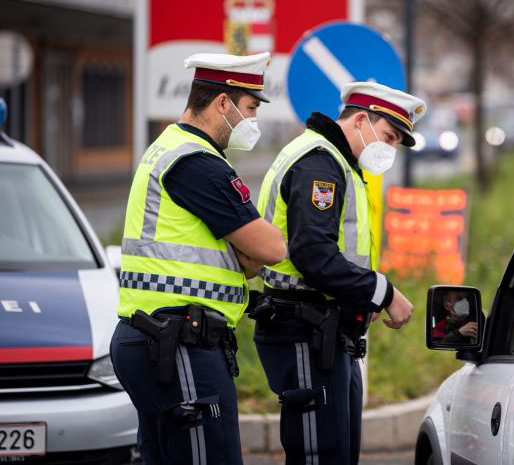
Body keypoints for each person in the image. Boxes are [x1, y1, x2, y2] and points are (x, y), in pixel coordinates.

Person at [110, 52, 287, 465]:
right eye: (249, 108)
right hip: (179, 343)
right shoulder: (197, 163)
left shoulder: (169, 149)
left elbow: (249, 259)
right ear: (222, 103)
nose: (252, 121)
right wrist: (252, 248)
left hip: (157, 339)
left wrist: (247, 252)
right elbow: (271, 250)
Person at [249, 82, 424, 464]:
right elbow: (313, 254)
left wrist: (360, 294)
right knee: (321, 456)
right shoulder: (319, 163)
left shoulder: (339, 163)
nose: (389, 150)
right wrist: (384, 292)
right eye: (390, 137)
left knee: (337, 454)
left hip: (325, 334)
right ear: (362, 120)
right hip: (305, 332)